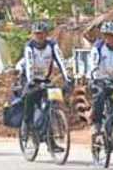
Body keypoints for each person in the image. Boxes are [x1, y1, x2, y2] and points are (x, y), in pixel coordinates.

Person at [22, 21, 72, 152]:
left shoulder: (52, 46)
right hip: (31, 80)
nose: (39, 36)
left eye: (42, 34)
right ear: (33, 35)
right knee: (30, 100)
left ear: (46, 34)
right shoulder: (29, 47)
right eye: (37, 34)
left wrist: (68, 79)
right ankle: (27, 127)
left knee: (50, 108)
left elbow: (62, 62)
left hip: (46, 81)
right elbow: (29, 65)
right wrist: (31, 81)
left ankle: (51, 143)